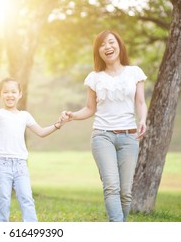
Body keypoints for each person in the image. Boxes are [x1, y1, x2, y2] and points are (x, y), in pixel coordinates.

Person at [61, 29, 148, 222]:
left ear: (119, 45)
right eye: (101, 45)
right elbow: (90, 108)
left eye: (110, 42)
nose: (107, 47)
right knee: (111, 187)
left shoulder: (135, 73)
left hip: (129, 137)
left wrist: (142, 120)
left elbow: (140, 102)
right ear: (98, 52)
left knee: (125, 192)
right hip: (102, 136)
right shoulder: (95, 77)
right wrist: (72, 115)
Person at [0, 77, 66, 222]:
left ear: (20, 94)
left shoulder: (25, 116)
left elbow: (41, 132)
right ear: (0, 94)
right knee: (3, 200)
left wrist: (58, 125)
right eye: (5, 92)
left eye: (13, 92)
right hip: (2, 164)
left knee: (26, 199)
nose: (10, 95)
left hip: (20, 165)